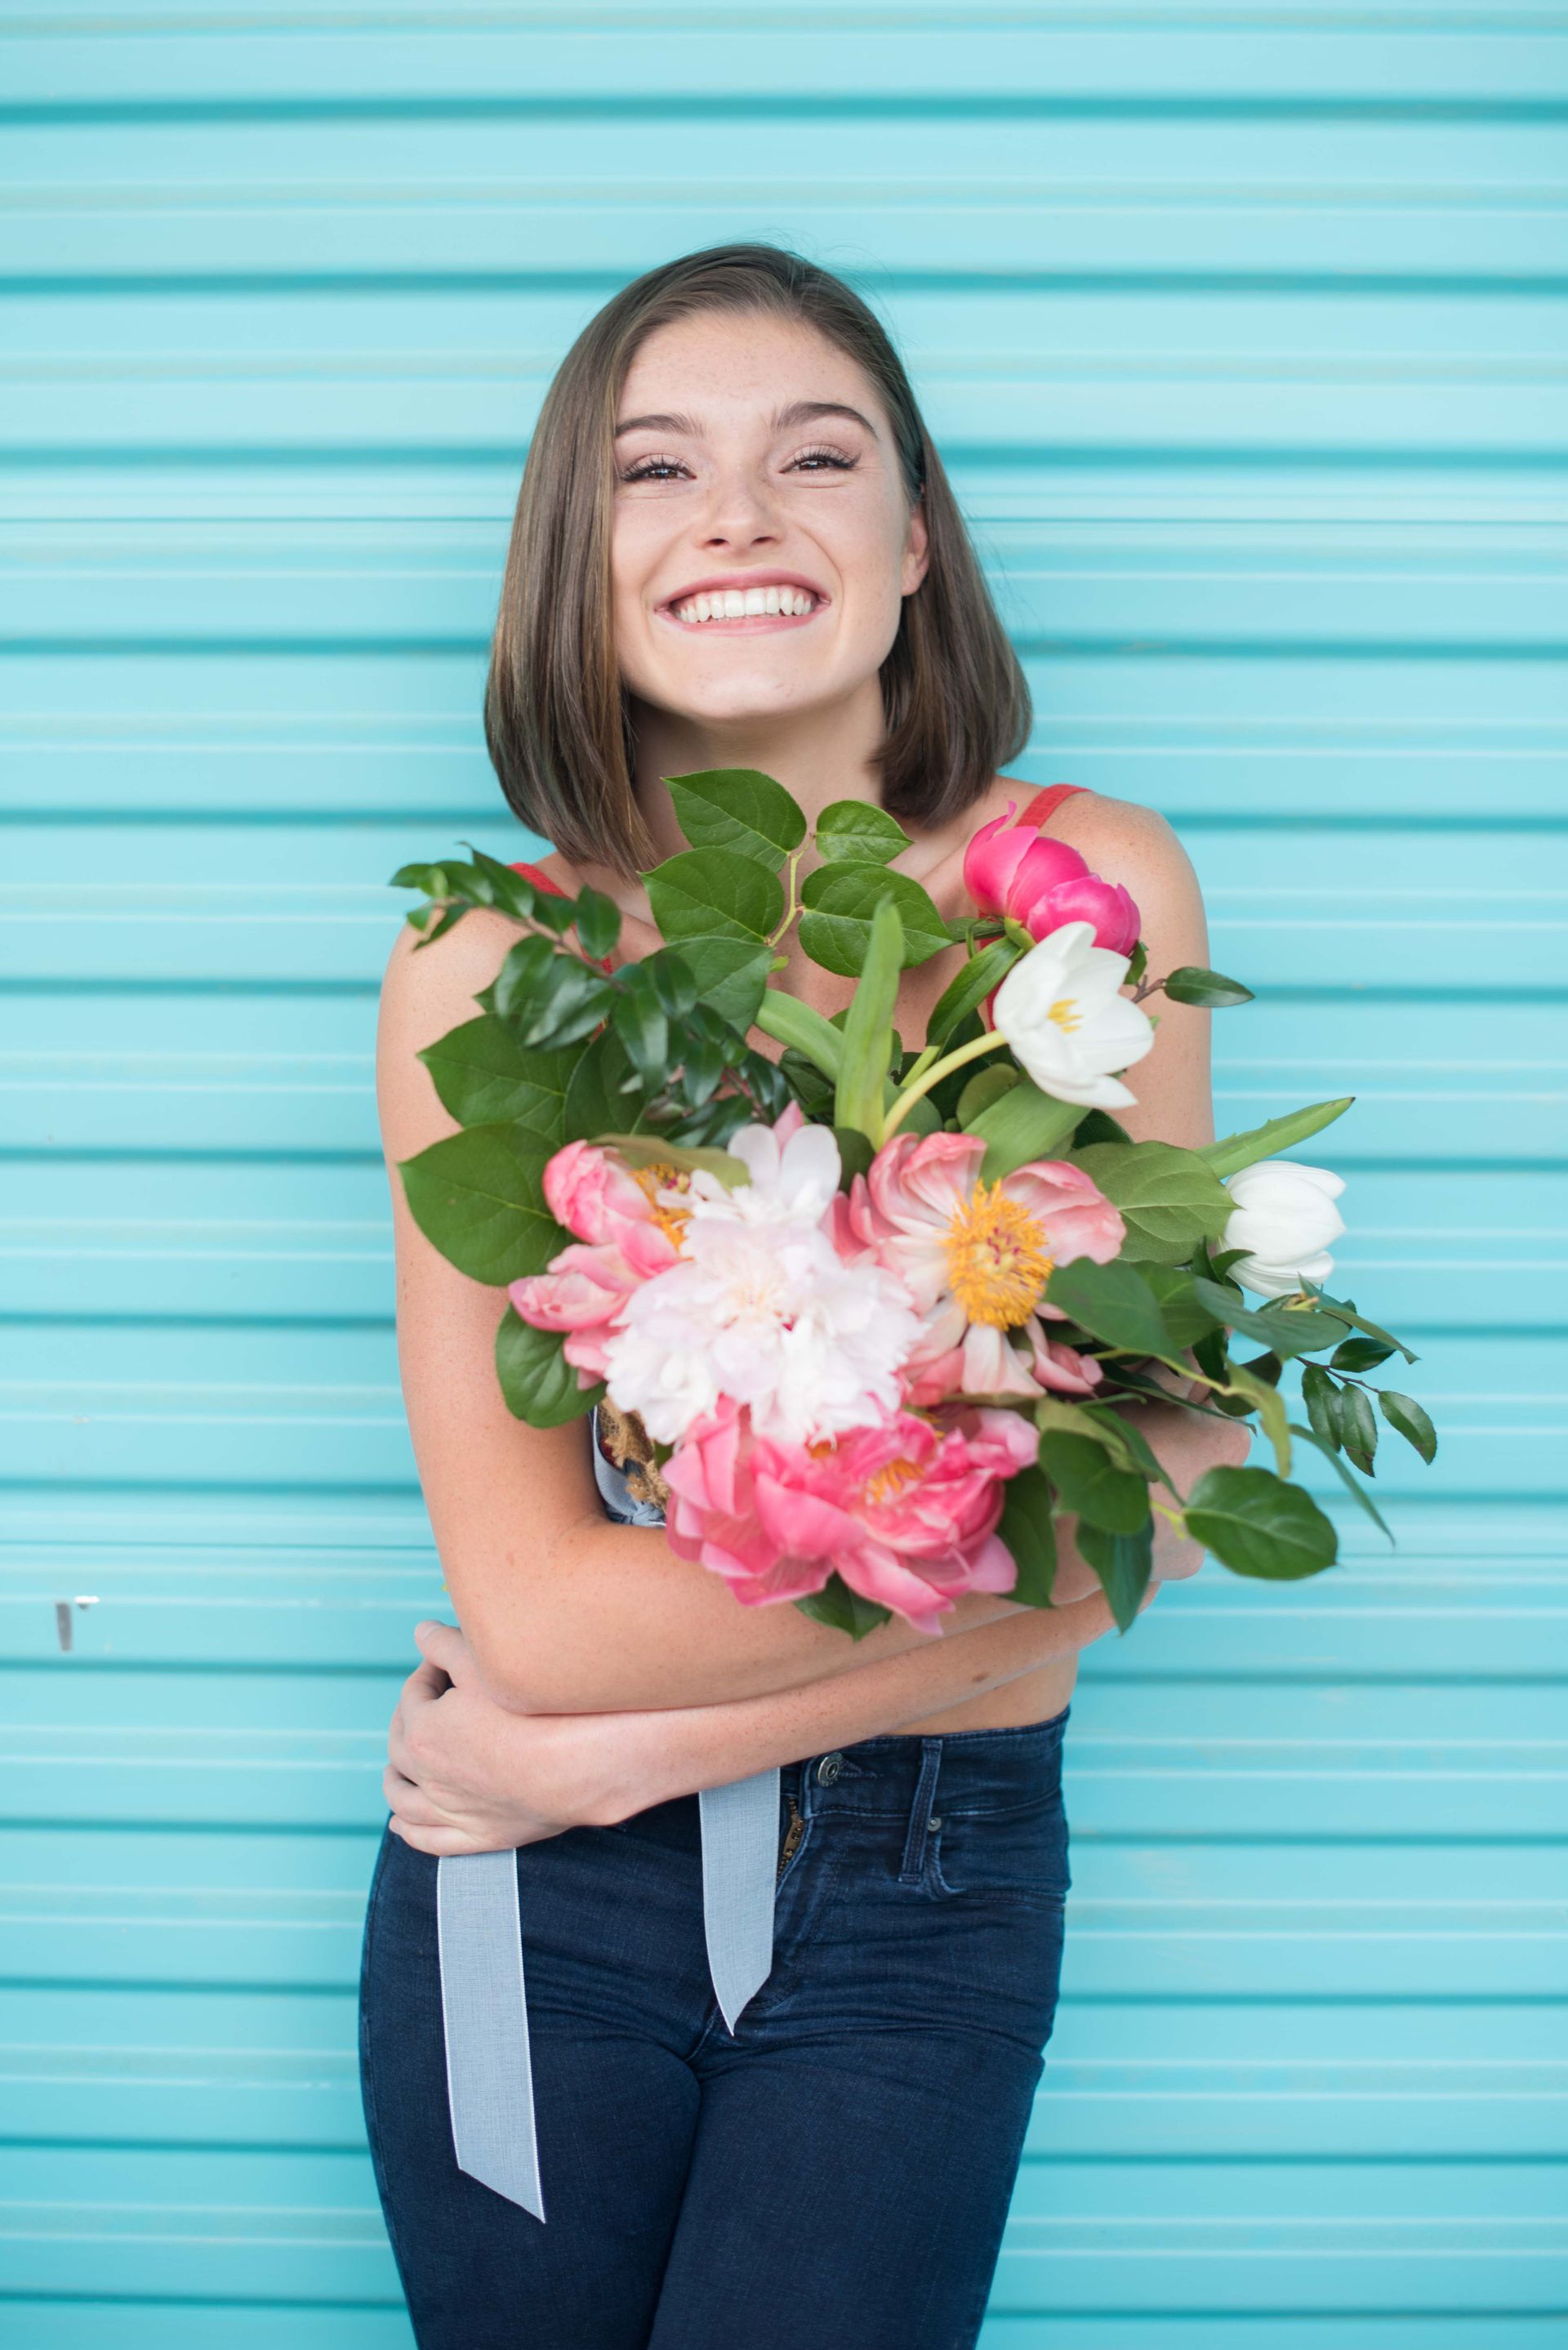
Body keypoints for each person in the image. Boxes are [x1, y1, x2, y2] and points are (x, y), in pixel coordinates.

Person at [359, 241, 1250, 2350]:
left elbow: (1181, 1478)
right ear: (579, 558)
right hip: (533, 1903)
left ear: (917, 538)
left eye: (815, 456)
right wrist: (981, 1583)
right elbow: (544, 1616)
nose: (739, 517)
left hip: (917, 1885)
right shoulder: (489, 969)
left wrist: (608, 1753)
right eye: (656, 469)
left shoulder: (1081, 897)